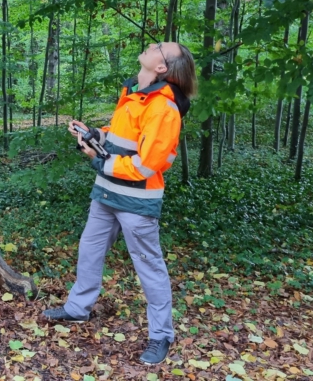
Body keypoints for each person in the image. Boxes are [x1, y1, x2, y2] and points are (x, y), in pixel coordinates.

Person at [42, 42, 197, 365]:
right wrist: (95, 135)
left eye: (160, 47)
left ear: (162, 68)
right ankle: (76, 309)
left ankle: (161, 336)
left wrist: (99, 162)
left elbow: (145, 164)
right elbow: (121, 137)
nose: (153, 44)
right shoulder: (134, 93)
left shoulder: (163, 108)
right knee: (90, 249)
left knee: (149, 267)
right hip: (106, 193)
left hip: (136, 202)